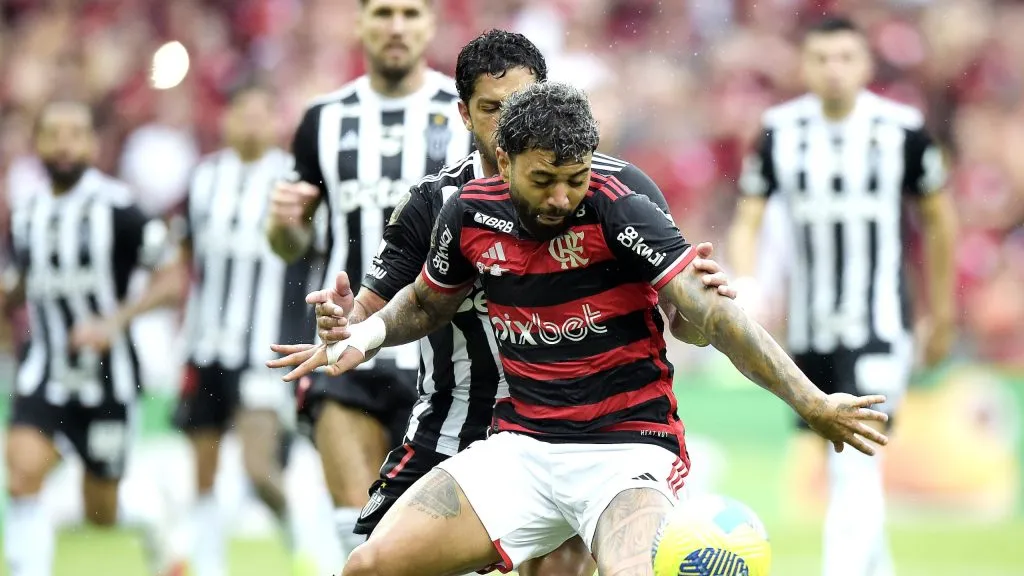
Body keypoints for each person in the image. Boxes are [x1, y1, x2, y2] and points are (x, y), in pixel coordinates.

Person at [270, 81, 890, 576]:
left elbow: (712, 317)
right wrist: (363, 335)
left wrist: (813, 402)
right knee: (370, 566)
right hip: (522, 449)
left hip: (627, 451)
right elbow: (427, 305)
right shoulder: (467, 213)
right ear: (504, 160)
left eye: (576, 177)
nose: (562, 197)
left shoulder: (619, 206)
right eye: (543, 179)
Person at [301, 29, 735, 576]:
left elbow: (681, 319)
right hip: (454, 424)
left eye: (520, 102)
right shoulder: (437, 204)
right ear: (464, 114)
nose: (508, 119)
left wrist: (699, 310)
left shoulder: (610, 191)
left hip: (575, 427)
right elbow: (382, 309)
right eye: (491, 107)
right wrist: (346, 324)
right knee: (369, 563)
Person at [727, 16, 957, 576]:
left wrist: (943, 312)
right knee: (844, 464)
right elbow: (748, 218)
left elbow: (939, 219)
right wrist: (748, 284)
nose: (834, 70)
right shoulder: (780, 132)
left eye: (846, 58)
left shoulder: (902, 129)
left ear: (866, 66)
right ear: (804, 66)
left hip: (880, 324)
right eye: (822, 59)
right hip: (809, 329)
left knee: (857, 461)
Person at [266, 0, 473, 556]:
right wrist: (284, 224)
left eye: (411, 13)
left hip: (445, 355)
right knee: (358, 530)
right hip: (345, 344)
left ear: (431, 24)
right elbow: (293, 242)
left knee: (428, 546)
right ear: (359, 24)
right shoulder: (322, 118)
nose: (397, 27)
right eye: (383, 12)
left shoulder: (465, 115)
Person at [1, 101, 183, 576]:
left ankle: (150, 517)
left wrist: (115, 321)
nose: (64, 144)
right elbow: (21, 284)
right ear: (36, 144)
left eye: (75, 134)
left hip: (109, 378)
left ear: (92, 144)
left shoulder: (120, 209)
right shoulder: (26, 213)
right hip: (44, 371)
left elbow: (171, 279)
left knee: (100, 513)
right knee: (21, 473)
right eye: (53, 134)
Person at [170, 83, 325, 576]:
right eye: (243, 114)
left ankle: (312, 548)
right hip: (205, 345)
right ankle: (209, 566)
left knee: (259, 467)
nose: (252, 124)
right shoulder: (203, 178)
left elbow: (314, 252)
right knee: (204, 470)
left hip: (267, 345)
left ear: (276, 121)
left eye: (262, 114)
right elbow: (185, 257)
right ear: (227, 120)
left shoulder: (295, 181)